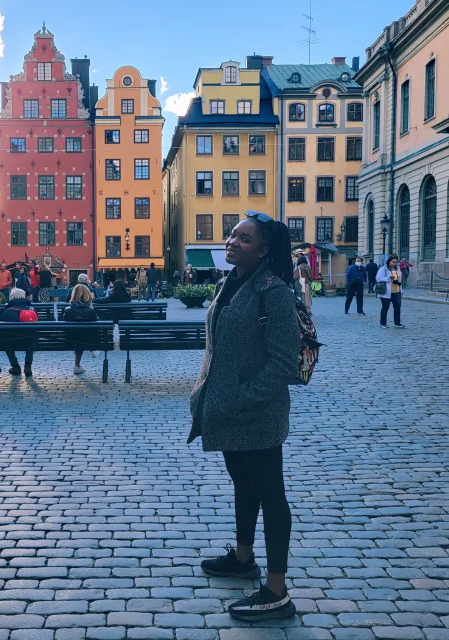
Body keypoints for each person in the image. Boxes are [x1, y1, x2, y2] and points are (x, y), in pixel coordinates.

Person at [188, 211, 300, 623]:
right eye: (233, 234)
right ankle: (242, 557)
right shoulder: (228, 283)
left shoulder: (274, 291)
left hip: (258, 413)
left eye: (245, 239)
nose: (233, 241)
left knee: (271, 495)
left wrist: (242, 397)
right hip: (228, 410)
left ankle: (276, 589)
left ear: (264, 250)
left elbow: (285, 362)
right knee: (243, 485)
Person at [0, 287, 37, 377]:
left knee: (6, 341)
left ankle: (15, 366)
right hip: (29, 341)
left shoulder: (7, 311)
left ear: (12, 297)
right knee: (30, 337)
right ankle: (28, 365)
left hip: (12, 341)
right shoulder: (31, 309)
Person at [64, 284, 99, 375]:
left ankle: (77, 365)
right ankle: (92, 349)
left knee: (77, 335)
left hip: (71, 340)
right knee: (85, 333)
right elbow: (96, 326)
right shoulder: (90, 310)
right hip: (88, 340)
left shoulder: (67, 310)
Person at [377, 255, 405, 329]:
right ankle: (383, 323)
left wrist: (401, 290)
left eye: (395, 262)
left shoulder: (398, 268)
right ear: (389, 261)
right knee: (385, 307)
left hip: (396, 291)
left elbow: (400, 280)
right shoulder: (383, 269)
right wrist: (388, 279)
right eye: (393, 262)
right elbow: (378, 278)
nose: (394, 264)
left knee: (397, 307)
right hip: (386, 292)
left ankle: (397, 322)